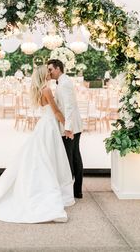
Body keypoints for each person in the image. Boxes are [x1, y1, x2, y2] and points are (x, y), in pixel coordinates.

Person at [0, 65, 75, 223]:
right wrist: (68, 128)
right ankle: (46, 190)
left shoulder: (40, 89)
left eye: (50, 71)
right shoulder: (47, 90)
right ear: (43, 75)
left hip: (45, 125)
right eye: (47, 72)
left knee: (44, 157)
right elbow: (56, 112)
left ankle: (44, 187)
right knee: (48, 158)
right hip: (49, 126)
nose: (50, 73)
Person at [47, 59, 84, 199]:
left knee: (71, 158)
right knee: (74, 157)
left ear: (58, 69)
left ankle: (73, 190)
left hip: (70, 127)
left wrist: (68, 128)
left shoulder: (65, 83)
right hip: (70, 126)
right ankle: (76, 190)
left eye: (50, 69)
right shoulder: (62, 82)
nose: (49, 72)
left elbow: (69, 107)